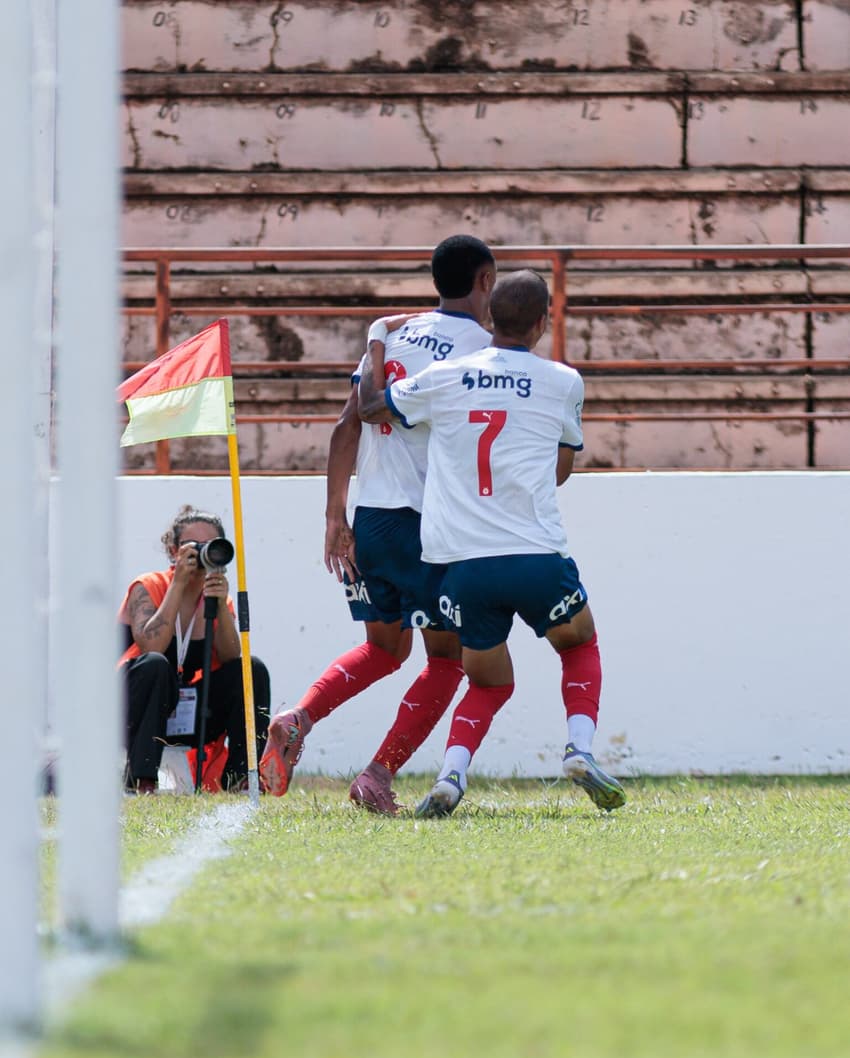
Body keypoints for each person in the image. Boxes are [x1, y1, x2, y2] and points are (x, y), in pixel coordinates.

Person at [358, 269, 627, 817]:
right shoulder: (563, 381)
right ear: (543, 321)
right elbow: (559, 470)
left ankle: (452, 776)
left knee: (488, 681)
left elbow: (368, 406)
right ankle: (578, 749)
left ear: (491, 319)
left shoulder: (444, 375)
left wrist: (377, 336)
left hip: (463, 566)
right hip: (534, 554)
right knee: (578, 645)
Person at [259, 235, 497, 813]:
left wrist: (333, 516)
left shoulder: (391, 339)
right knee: (448, 659)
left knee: (386, 648)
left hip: (371, 519)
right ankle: (378, 776)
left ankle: (298, 716)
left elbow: (348, 424)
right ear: (486, 280)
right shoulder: (483, 350)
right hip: (429, 526)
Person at [118, 504, 271, 793]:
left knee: (252, 669)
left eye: (208, 546)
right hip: (131, 706)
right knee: (154, 663)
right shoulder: (149, 585)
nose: (201, 553)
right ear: (173, 550)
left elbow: (229, 657)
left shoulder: (215, 596)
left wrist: (222, 607)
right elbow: (151, 644)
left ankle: (241, 777)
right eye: (193, 546)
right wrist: (179, 584)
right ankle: (142, 778)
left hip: (187, 711)